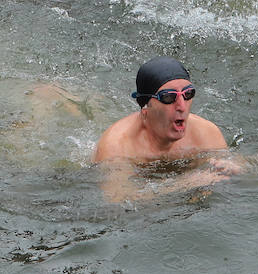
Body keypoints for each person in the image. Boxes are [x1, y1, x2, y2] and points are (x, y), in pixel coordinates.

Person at [92, 57, 237, 201]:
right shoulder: (117, 146)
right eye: (168, 97)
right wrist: (184, 184)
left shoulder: (206, 133)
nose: (182, 106)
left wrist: (236, 168)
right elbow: (119, 200)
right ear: (146, 107)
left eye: (188, 94)